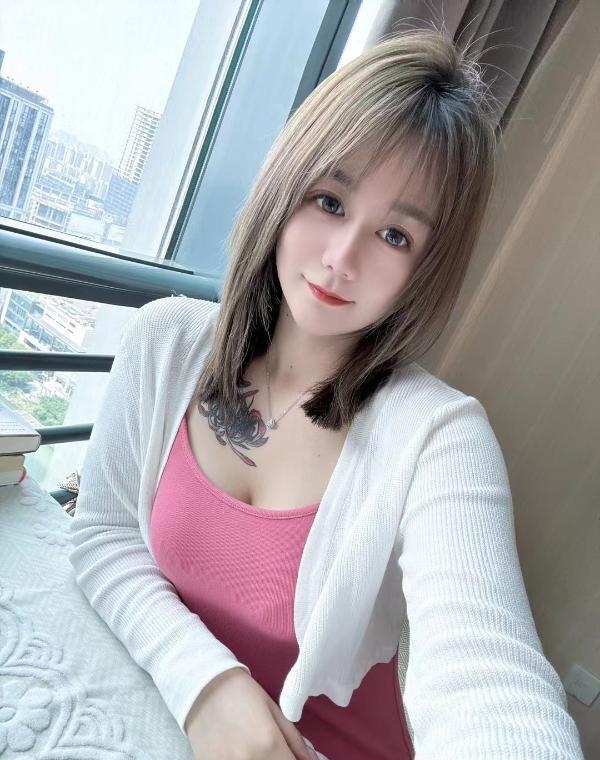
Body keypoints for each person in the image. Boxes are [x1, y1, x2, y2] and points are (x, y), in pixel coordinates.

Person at [69, 27, 585, 760]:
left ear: (426, 269)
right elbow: (104, 535)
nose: (342, 260)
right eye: (330, 200)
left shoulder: (439, 438)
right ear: (288, 186)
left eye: (396, 236)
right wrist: (209, 685)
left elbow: (489, 676)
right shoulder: (166, 344)